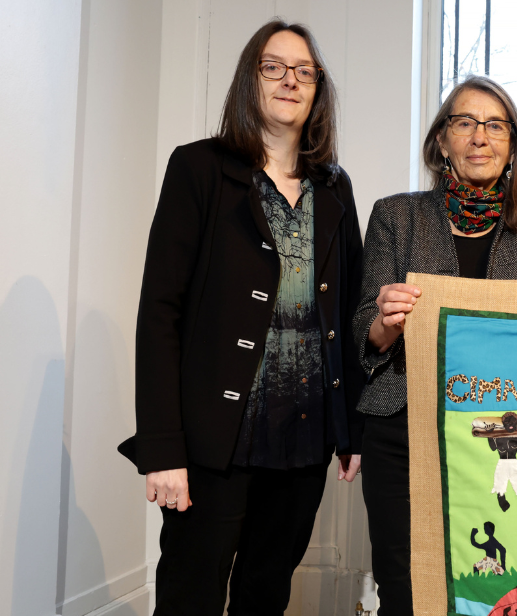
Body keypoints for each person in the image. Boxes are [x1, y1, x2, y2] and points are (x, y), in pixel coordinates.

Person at [117, 20, 365, 615]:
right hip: (212, 442)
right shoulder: (199, 170)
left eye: (304, 71)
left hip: (303, 441)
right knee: (190, 595)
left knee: (264, 594)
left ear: (318, 90)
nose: (289, 81)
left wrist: (348, 426)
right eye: (273, 67)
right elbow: (160, 314)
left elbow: (350, 309)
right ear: (249, 80)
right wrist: (161, 449)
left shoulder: (335, 188)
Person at [353, 75, 517, 613]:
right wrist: (386, 322)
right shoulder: (395, 216)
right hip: (399, 428)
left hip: (486, 437)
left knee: (482, 585)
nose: (479, 137)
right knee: (403, 585)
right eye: (464, 122)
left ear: (512, 144)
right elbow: (360, 334)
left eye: (495, 125)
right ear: (442, 140)